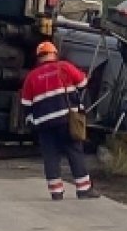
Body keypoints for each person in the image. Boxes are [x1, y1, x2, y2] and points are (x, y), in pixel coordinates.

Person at [19, 41, 100, 200]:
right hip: (66, 120)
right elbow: (83, 82)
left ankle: (56, 192)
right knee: (74, 151)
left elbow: (26, 104)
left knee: (50, 156)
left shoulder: (31, 77)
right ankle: (84, 189)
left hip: (44, 124)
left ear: (38, 58)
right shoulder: (64, 67)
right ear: (54, 53)